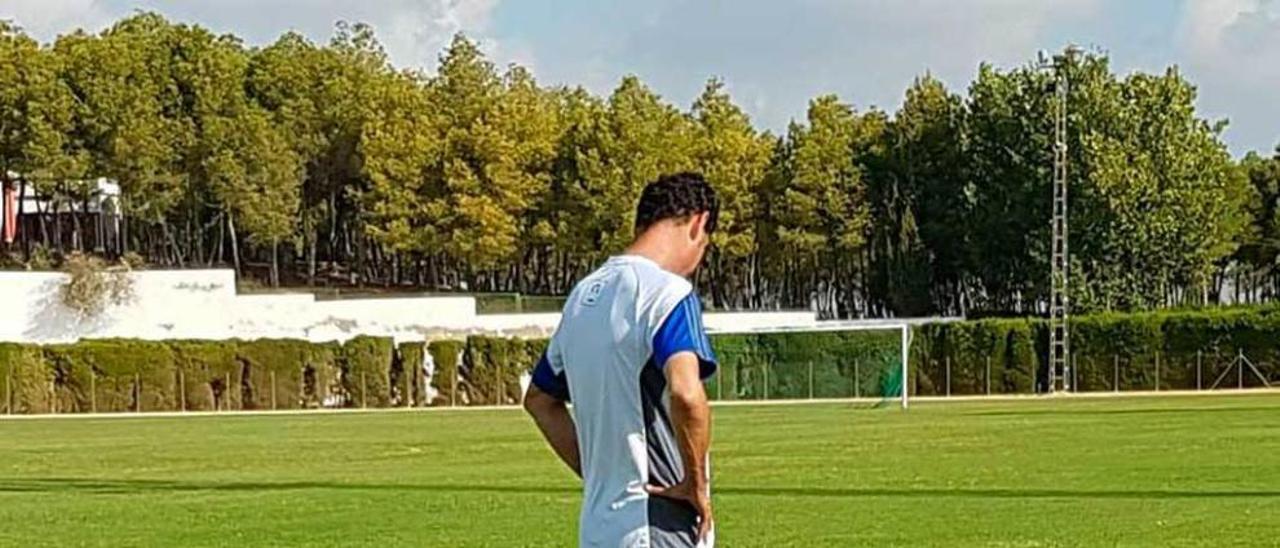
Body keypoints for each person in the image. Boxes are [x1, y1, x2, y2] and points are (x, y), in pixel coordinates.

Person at [524, 172, 720, 548]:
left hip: (599, 527)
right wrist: (695, 485)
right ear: (698, 223)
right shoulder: (668, 294)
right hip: (659, 522)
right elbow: (687, 394)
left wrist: (601, 475)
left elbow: (539, 400)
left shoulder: (582, 298)